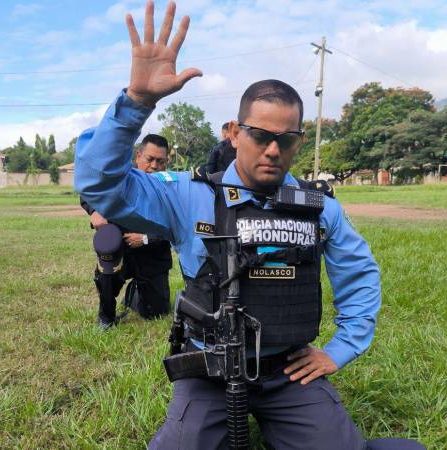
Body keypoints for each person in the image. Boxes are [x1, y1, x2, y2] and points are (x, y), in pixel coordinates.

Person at [75, 2, 425, 449]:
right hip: (209, 367)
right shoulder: (190, 194)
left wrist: (339, 349)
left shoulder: (319, 208)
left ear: (299, 139)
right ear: (235, 134)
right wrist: (136, 104)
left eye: (287, 139)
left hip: (287, 368)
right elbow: (101, 185)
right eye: (260, 135)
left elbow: (359, 275)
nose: (273, 150)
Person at [80, 133, 173, 328]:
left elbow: (174, 225)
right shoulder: (118, 177)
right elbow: (88, 192)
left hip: (153, 255)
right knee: (108, 248)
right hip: (120, 250)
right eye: (150, 159)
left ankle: (135, 292)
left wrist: (146, 238)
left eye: (160, 161)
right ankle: (106, 316)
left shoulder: (171, 187)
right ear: (138, 156)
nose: (154, 166)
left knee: (156, 314)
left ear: (167, 162)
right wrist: (95, 211)